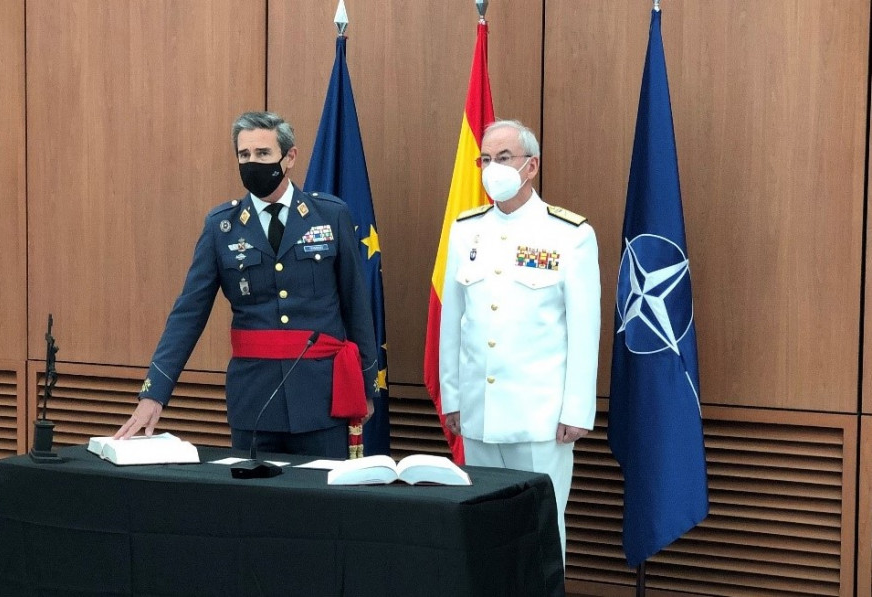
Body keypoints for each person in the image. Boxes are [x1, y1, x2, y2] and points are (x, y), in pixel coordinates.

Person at [115, 111, 378, 459]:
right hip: (255, 400)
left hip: (322, 398)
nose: (252, 162)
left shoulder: (330, 215)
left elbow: (356, 304)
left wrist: (366, 385)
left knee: (321, 506)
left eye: (263, 154)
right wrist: (154, 394)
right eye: (244, 155)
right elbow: (188, 315)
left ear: (290, 157)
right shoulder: (221, 227)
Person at [438, 119, 600, 559]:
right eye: (485, 159)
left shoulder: (570, 235)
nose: (493, 167)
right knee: (484, 529)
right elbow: (454, 320)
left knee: (540, 530)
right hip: (478, 412)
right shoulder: (465, 229)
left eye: (503, 158)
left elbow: (585, 330)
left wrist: (577, 408)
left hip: (540, 418)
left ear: (531, 167)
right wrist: (451, 398)